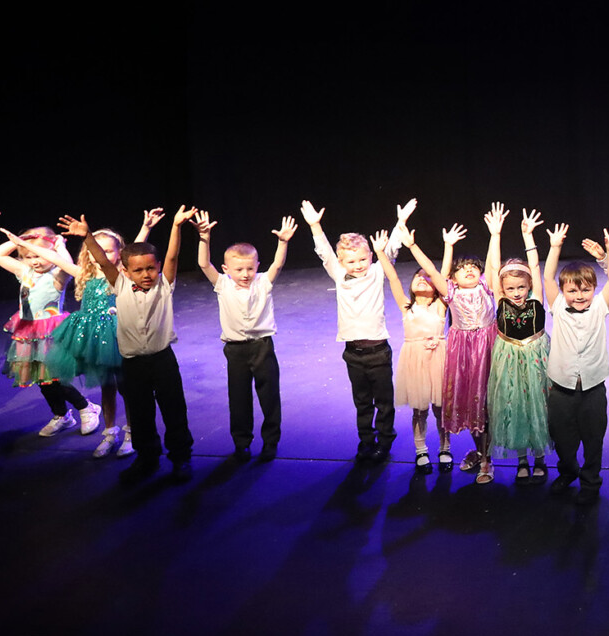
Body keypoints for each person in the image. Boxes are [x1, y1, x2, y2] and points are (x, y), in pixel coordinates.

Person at [71, 207, 196, 484]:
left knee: (174, 411)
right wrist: (87, 236)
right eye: (138, 270)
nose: (146, 274)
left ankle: (181, 458)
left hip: (162, 360)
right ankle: (147, 458)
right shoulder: (120, 285)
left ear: (158, 267)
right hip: (133, 364)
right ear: (125, 272)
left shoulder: (164, 285)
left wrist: (176, 226)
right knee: (140, 415)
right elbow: (103, 261)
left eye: (151, 268)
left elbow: (173, 256)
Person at [304, 197, 411, 463]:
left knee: (384, 402)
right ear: (342, 263)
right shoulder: (339, 275)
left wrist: (400, 222)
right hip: (353, 353)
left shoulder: (377, 272)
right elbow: (324, 252)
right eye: (351, 261)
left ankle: (384, 441)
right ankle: (366, 441)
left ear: (371, 257)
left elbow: (391, 250)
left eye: (363, 259)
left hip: (378, 351)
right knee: (362, 402)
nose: (359, 265)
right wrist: (315, 226)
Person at [195, 209, 294, 462]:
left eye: (250, 268)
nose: (245, 274)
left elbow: (278, 264)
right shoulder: (222, 284)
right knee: (238, 399)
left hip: (262, 347)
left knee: (269, 396)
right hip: (236, 350)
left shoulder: (263, 282)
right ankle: (242, 443)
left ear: (257, 267)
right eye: (238, 269)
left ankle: (270, 441)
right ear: (226, 269)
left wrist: (282, 242)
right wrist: (204, 238)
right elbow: (204, 264)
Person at [38, 217, 138, 458]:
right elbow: (55, 259)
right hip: (96, 340)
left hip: (117, 336)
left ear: (119, 252)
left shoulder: (120, 275)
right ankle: (109, 433)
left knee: (127, 388)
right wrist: (24, 243)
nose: (100, 255)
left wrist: (146, 227)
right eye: (96, 250)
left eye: (108, 250)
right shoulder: (84, 274)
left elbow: (136, 248)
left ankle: (132, 434)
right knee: (107, 387)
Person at [404, 214, 492, 478]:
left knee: (490, 404)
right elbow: (433, 271)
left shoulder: (486, 286)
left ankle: (488, 455)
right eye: (462, 268)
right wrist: (414, 246)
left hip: (488, 348)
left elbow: (492, 263)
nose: (469, 270)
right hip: (464, 352)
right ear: (452, 278)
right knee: (473, 404)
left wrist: (495, 235)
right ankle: (482, 454)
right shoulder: (450, 292)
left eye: (473, 267)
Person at [0, 226, 97, 438]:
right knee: (41, 378)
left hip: (51, 333)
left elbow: (66, 265)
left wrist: (59, 246)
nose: (34, 261)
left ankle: (86, 407)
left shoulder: (57, 275)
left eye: (39, 255)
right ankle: (61, 415)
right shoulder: (24, 272)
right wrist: (20, 239)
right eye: (28, 257)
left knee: (55, 377)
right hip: (28, 333)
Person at [548, 225, 609, 495]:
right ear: (563, 292)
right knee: (562, 438)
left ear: (593, 290)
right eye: (572, 291)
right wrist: (555, 247)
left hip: (592, 388)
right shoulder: (558, 306)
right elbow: (547, 277)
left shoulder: (600, 306)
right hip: (561, 388)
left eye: (585, 290)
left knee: (593, 440)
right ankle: (568, 471)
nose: (579, 296)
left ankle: (591, 482)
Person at [488, 208, 554, 483]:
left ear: (528, 286)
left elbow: (535, 268)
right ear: (503, 289)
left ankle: (539, 458)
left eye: (521, 287)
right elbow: (494, 269)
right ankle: (521, 461)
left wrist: (528, 236)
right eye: (511, 288)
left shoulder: (536, 299)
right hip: (509, 356)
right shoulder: (501, 301)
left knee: (537, 406)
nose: (516, 293)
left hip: (535, 356)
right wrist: (495, 234)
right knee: (513, 405)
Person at [391, 217, 455, 472]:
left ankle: (445, 448)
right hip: (415, 361)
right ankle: (421, 450)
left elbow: (443, 275)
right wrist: (380, 254)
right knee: (419, 410)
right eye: (417, 277)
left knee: (441, 408)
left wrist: (448, 246)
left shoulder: (440, 306)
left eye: (427, 278)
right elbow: (392, 279)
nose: (422, 278)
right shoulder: (406, 307)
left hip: (438, 360)